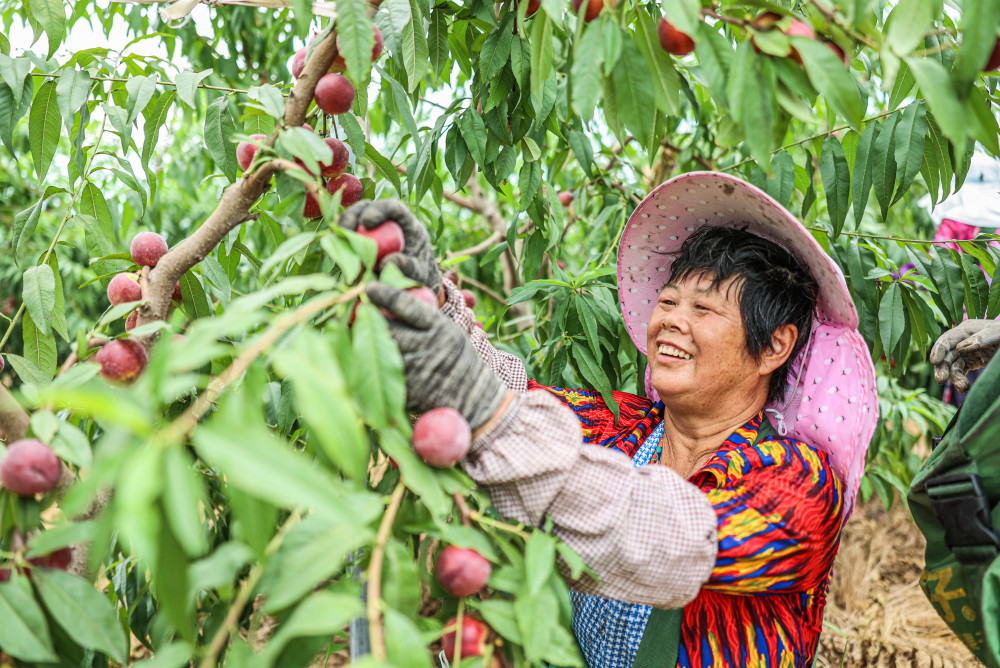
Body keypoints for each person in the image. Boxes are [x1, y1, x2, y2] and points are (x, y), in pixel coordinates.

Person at [341, 172, 878, 667]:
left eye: (704, 310)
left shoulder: (801, 484)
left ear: (773, 347)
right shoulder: (628, 425)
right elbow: (518, 402)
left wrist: (492, 416)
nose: (670, 321)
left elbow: (677, 541)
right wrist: (434, 301)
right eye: (668, 301)